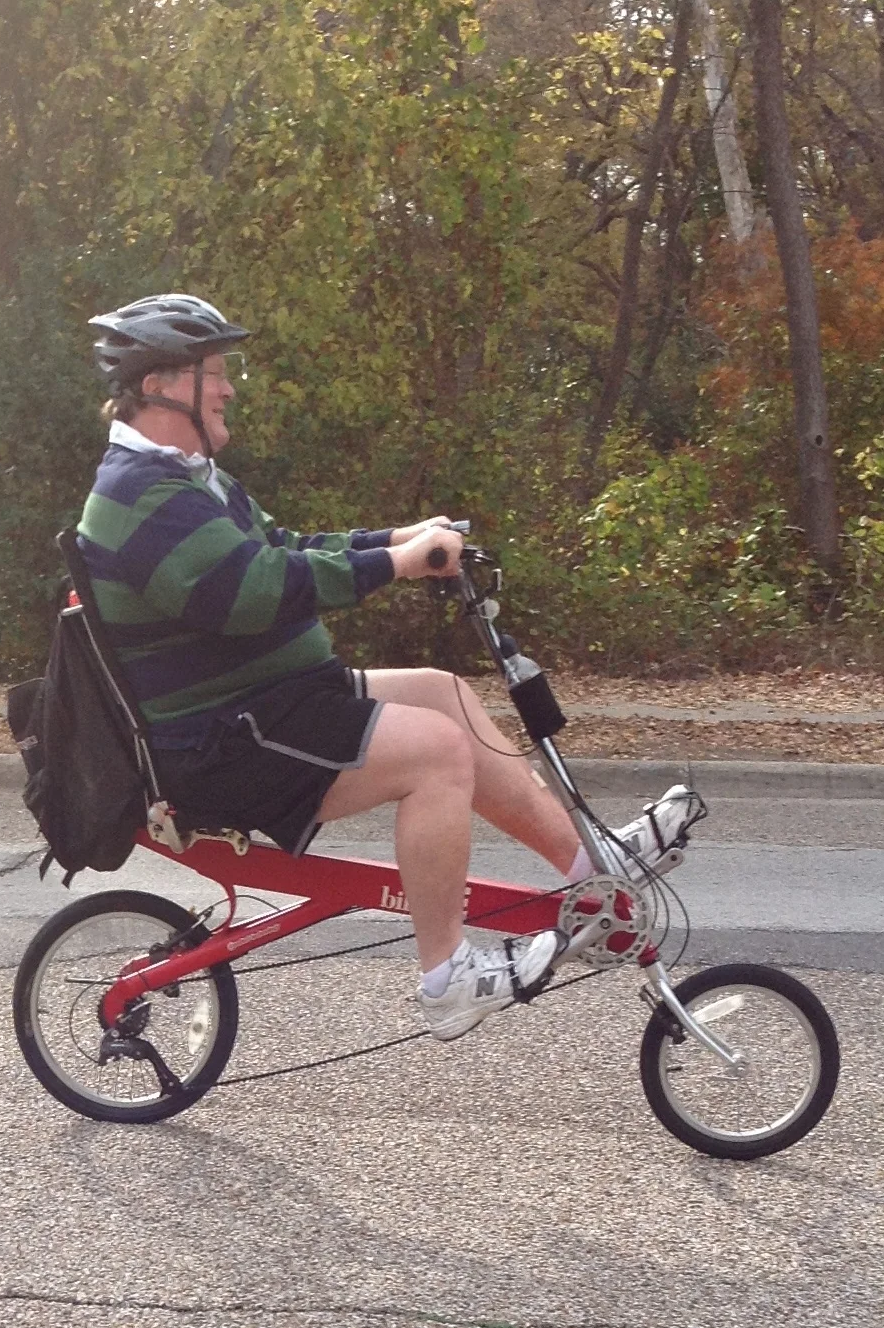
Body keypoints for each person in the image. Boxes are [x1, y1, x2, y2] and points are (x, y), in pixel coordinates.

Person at [77, 293, 692, 1042]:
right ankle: (446, 977)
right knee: (435, 754)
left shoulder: (184, 477)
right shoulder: (140, 494)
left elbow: (286, 546)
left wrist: (398, 538)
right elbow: (253, 589)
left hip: (264, 704)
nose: (229, 387)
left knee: (444, 696)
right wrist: (396, 564)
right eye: (215, 371)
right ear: (160, 386)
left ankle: (589, 867)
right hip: (225, 742)